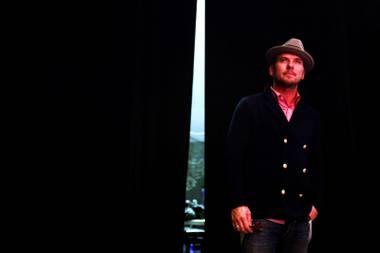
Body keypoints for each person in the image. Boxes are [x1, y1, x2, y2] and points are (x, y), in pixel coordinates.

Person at [224, 38, 323, 253]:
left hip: (300, 221)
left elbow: (318, 163)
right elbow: (232, 157)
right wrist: (237, 203)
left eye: (297, 62)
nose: (290, 66)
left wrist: (315, 203)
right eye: (283, 60)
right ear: (271, 69)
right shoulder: (250, 106)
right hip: (260, 219)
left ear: (303, 73)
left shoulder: (311, 116)